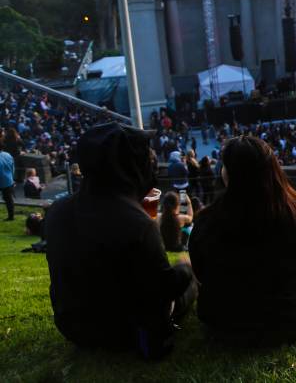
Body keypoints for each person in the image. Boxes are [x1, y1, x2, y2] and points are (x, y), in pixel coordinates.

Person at [44, 122, 197, 359]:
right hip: (125, 333)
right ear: (129, 165)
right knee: (189, 279)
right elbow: (163, 289)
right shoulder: (138, 223)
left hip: (73, 328)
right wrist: (186, 270)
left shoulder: (56, 211)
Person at [189, 136, 296, 346]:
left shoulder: (206, 220)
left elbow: (200, 272)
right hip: (289, 323)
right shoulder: (294, 218)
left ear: (228, 173)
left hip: (220, 326)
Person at [0, 140, 14, 221]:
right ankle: (11, 216)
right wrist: (12, 177)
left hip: (2, 180)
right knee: (9, 200)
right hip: (8, 180)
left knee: (8, 199)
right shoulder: (8, 155)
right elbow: (13, 167)